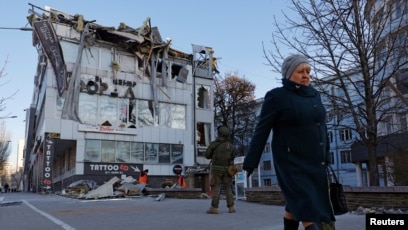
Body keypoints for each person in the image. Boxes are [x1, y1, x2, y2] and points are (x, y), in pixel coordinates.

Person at [243, 54, 335, 230]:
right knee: (307, 207)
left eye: (308, 71)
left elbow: (321, 127)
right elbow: (262, 130)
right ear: (288, 74)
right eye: (301, 71)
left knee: (295, 204)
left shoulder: (315, 95)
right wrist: (251, 161)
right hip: (291, 162)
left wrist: (326, 155)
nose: (306, 75)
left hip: (315, 161)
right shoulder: (276, 97)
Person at [205, 125, 236, 214]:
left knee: (216, 188)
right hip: (228, 171)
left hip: (216, 171)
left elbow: (207, 155)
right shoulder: (230, 146)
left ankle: (214, 208)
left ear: (220, 134)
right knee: (228, 188)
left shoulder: (214, 144)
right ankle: (231, 207)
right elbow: (233, 156)